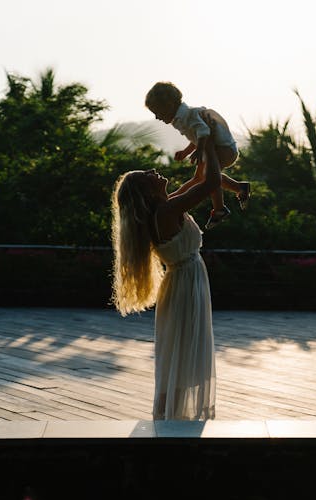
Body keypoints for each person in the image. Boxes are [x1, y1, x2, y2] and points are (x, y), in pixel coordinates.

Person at [110, 139, 222, 420]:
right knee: (183, 356)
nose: (153, 171)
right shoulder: (166, 212)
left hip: (185, 283)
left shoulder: (166, 208)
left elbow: (199, 179)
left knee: (182, 355)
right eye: (148, 175)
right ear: (146, 192)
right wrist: (208, 146)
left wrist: (201, 144)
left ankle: (169, 417)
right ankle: (169, 418)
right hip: (185, 285)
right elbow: (211, 184)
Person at [145, 81, 250, 229]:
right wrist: (186, 151)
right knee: (198, 178)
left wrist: (199, 150)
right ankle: (239, 188)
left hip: (224, 149)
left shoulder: (189, 115)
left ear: (168, 105)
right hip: (215, 148)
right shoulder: (181, 119)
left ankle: (220, 209)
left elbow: (203, 132)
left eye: (157, 112)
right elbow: (196, 137)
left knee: (209, 178)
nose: (157, 117)